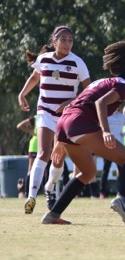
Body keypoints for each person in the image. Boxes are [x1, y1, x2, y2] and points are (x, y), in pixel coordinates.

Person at [40, 32, 125, 225]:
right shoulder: (123, 85)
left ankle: (52, 215)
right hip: (80, 122)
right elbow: (100, 103)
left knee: (87, 172)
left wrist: (60, 140)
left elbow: (74, 104)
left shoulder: (100, 81)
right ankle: (122, 200)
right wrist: (106, 131)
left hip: (66, 123)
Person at [18, 25, 91, 214]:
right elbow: (35, 77)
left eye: (70, 40)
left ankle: (50, 187)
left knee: (57, 159)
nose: (67, 43)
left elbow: (89, 91)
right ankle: (31, 196)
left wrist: (70, 101)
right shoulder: (44, 59)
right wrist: (22, 94)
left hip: (67, 116)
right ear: (54, 41)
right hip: (45, 111)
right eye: (64, 39)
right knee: (43, 152)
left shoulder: (78, 63)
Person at [99, 108, 125, 198]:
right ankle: (102, 192)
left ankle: (121, 192)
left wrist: (123, 134)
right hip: (108, 145)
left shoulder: (122, 116)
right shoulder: (106, 115)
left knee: (121, 169)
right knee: (106, 169)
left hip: (119, 145)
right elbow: (101, 128)